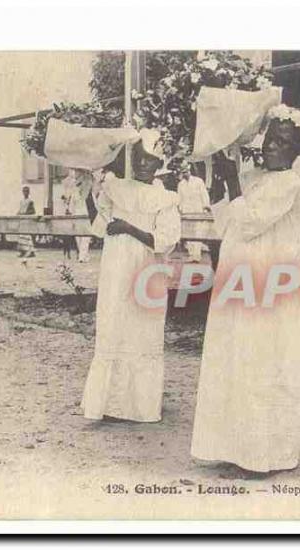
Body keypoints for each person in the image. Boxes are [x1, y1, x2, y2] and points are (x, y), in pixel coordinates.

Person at [190, 105, 300, 476]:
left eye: (284, 143)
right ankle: (234, 446)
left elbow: (250, 222)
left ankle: (263, 454)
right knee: (236, 354)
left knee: (263, 357)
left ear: (296, 152)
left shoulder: (292, 185)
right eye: (272, 139)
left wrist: (231, 183)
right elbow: (225, 221)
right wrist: (217, 176)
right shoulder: (255, 176)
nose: (273, 147)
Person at [81, 129, 181, 423]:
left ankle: (139, 407)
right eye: (138, 158)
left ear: (159, 162)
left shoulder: (166, 199)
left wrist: (128, 228)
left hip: (145, 270)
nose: (142, 165)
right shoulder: (116, 187)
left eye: (150, 160)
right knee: (113, 325)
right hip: (116, 268)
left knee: (141, 330)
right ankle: (110, 405)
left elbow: (164, 241)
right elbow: (98, 224)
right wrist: (91, 189)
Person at [176, 167, 211, 262]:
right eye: (182, 172)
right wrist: (179, 209)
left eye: (186, 172)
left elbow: (204, 194)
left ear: (189, 171)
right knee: (188, 232)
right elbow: (179, 198)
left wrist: (206, 206)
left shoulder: (198, 181)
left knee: (198, 232)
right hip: (186, 210)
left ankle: (197, 255)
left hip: (198, 209)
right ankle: (191, 254)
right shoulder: (181, 184)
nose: (184, 174)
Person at [16, 186, 36, 263]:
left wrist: (25, 213)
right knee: (21, 236)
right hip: (22, 220)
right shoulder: (21, 201)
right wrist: (18, 213)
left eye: (26, 191)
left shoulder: (30, 201)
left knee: (27, 235)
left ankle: (31, 251)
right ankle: (22, 251)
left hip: (27, 220)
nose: (25, 193)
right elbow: (20, 209)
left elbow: (33, 211)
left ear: (28, 192)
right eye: (24, 191)